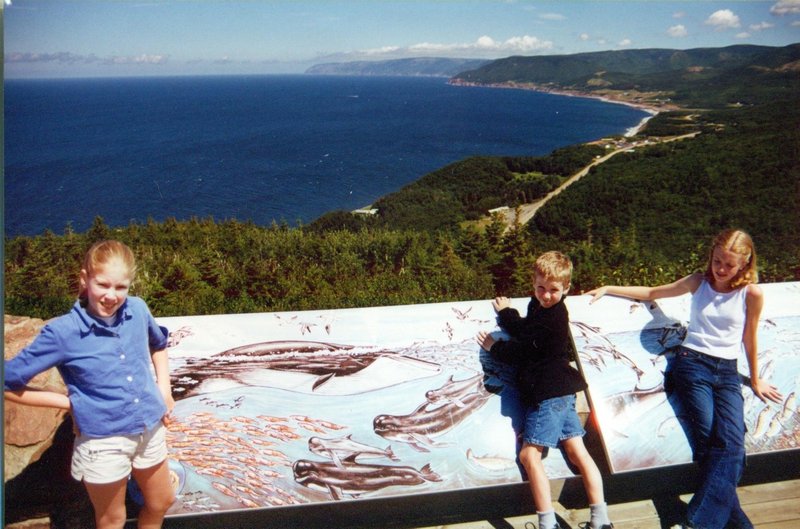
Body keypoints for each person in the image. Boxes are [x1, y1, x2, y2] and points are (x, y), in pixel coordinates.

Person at [587, 228, 782, 529]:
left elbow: (749, 338)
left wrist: (755, 379)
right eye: (717, 260)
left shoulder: (751, 293)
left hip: (728, 372)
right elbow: (654, 293)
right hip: (692, 366)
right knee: (707, 442)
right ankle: (721, 524)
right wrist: (608, 287)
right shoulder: (698, 281)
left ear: (745, 263)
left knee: (732, 445)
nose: (720, 269)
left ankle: (703, 524)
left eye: (728, 265)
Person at [4, 240, 176, 529]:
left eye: (121, 287)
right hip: (103, 442)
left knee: (161, 501)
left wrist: (164, 390)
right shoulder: (63, 333)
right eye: (103, 285)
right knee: (112, 519)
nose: (111, 296)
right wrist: (69, 403)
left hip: (150, 428)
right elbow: (8, 381)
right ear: (85, 279)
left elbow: (158, 344)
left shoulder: (138, 310)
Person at [477, 251, 613, 529]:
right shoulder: (541, 308)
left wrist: (495, 347)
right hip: (563, 392)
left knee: (529, 456)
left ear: (566, 289)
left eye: (553, 290)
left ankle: (547, 524)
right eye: (541, 288)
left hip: (548, 395)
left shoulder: (553, 316)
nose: (546, 295)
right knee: (577, 451)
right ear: (533, 283)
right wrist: (506, 313)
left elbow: (524, 350)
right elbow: (527, 330)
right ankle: (601, 521)